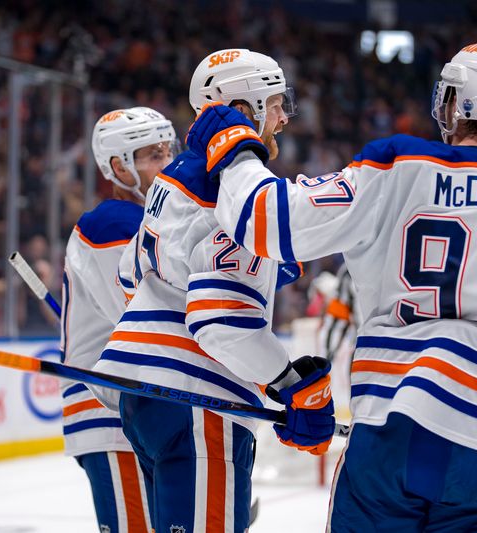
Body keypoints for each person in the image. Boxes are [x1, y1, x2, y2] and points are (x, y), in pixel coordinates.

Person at [191, 42, 477, 531]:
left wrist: (235, 149)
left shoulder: (396, 165)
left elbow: (267, 221)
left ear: (453, 104)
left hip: (392, 431)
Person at [93, 49, 335, 533]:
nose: (284, 118)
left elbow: (129, 273)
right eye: (275, 103)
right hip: (197, 399)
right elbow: (222, 321)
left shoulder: (174, 175)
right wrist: (289, 385)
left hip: (141, 395)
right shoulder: (236, 186)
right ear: (243, 108)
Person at [61, 106, 178, 532]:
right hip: (111, 411)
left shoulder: (154, 220)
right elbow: (144, 318)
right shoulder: (112, 222)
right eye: (152, 155)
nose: (166, 164)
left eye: (168, 151)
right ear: (117, 166)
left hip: (138, 411)